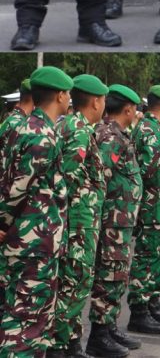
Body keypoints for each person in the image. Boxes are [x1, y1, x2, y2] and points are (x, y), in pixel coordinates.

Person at [0, 66, 72, 356]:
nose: (69, 99)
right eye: (68, 94)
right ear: (60, 95)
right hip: (30, 244)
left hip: (37, 242)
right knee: (24, 322)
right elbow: (17, 189)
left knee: (38, 319)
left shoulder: (30, 127)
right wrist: (3, 224)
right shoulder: (40, 135)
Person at [51, 74, 108, 358]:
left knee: (75, 284)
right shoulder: (79, 130)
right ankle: (59, 346)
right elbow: (67, 180)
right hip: (78, 224)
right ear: (95, 101)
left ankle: (71, 342)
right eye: (103, 99)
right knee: (74, 284)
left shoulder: (73, 126)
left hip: (81, 221)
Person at [87, 85, 145, 355]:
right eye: (135, 108)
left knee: (117, 275)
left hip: (120, 220)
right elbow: (101, 177)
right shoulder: (110, 135)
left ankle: (108, 326)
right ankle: (99, 335)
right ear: (128, 109)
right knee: (109, 275)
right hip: (112, 221)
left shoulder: (119, 134)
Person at [127, 84, 160, 335]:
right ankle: (139, 311)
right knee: (147, 258)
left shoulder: (154, 128)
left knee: (157, 257)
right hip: (153, 206)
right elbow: (147, 171)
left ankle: (151, 303)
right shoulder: (150, 130)